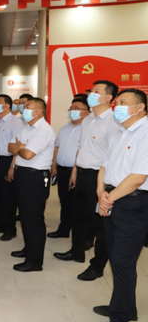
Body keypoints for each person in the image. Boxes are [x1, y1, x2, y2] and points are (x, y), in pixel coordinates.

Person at [54, 80, 120, 279]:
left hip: (99, 178)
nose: (91, 94)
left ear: (108, 97)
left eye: (96, 91)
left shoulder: (114, 122)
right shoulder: (88, 119)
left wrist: (102, 185)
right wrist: (75, 171)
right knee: (77, 215)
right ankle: (76, 251)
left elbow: (112, 156)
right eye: (91, 90)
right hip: (82, 174)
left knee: (99, 224)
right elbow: (82, 148)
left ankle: (97, 266)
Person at [94, 88, 148, 322]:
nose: (118, 107)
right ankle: (126, 307)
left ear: (140, 107)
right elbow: (104, 166)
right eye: (118, 102)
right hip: (111, 196)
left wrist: (108, 198)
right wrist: (101, 192)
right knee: (116, 257)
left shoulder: (145, 132)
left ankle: (119, 317)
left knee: (123, 260)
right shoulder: (119, 131)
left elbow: (138, 177)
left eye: (124, 102)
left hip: (132, 202)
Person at [8, 97, 55, 272]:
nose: (24, 108)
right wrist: (22, 147)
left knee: (33, 218)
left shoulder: (44, 129)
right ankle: (29, 249)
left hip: (35, 177)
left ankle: (35, 261)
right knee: (25, 216)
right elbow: (10, 147)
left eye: (28, 106)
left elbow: (28, 155)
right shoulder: (26, 127)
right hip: (22, 174)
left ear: (39, 111)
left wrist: (20, 147)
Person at [48, 96, 90, 239]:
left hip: (78, 172)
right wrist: (54, 166)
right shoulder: (64, 128)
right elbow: (57, 147)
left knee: (79, 204)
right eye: (71, 109)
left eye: (77, 109)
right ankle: (64, 230)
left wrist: (75, 172)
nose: (73, 111)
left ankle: (81, 236)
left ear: (87, 112)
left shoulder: (87, 130)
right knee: (64, 202)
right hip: (62, 170)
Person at [0, 94, 23, 241]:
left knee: (8, 197)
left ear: (7, 106)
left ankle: (10, 229)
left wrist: (12, 166)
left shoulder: (15, 122)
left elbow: (17, 146)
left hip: (7, 161)